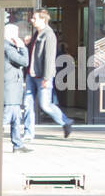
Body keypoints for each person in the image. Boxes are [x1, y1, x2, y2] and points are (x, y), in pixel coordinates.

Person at [25, 9, 74, 139]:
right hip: (31, 74)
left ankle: (65, 121)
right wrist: (27, 45)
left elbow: (49, 58)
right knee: (27, 104)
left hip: (42, 76)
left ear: (43, 19)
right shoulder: (36, 34)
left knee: (45, 105)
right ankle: (28, 133)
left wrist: (46, 78)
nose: (32, 20)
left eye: (35, 18)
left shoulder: (49, 34)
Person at [2, 23, 31, 153]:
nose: (18, 37)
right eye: (16, 34)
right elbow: (24, 62)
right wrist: (23, 47)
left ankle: (18, 145)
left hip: (12, 90)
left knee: (16, 119)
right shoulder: (8, 49)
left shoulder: (7, 47)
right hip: (10, 90)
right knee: (5, 119)